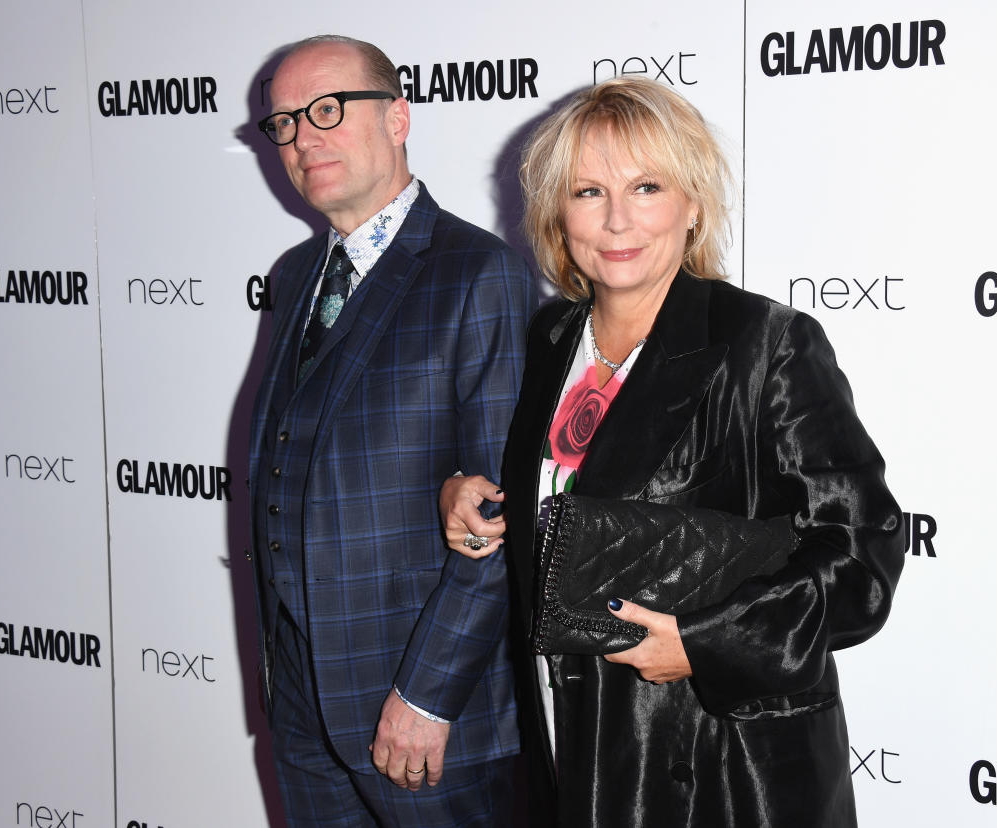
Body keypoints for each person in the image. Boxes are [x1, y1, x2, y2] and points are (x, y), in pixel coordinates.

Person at [440, 76, 904, 827]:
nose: (617, 219)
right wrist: (474, 501)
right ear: (559, 214)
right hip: (570, 746)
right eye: (588, 192)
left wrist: (705, 642)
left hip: (717, 763)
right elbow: (566, 510)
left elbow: (862, 556)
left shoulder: (767, 345)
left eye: (646, 186)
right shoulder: (550, 339)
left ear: (691, 204)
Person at [248, 35, 532, 827]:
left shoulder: (479, 274)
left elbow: (504, 514)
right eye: (284, 125)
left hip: (421, 713)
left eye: (328, 110)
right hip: (304, 702)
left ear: (398, 117)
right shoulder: (296, 277)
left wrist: (428, 694)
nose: (303, 138)